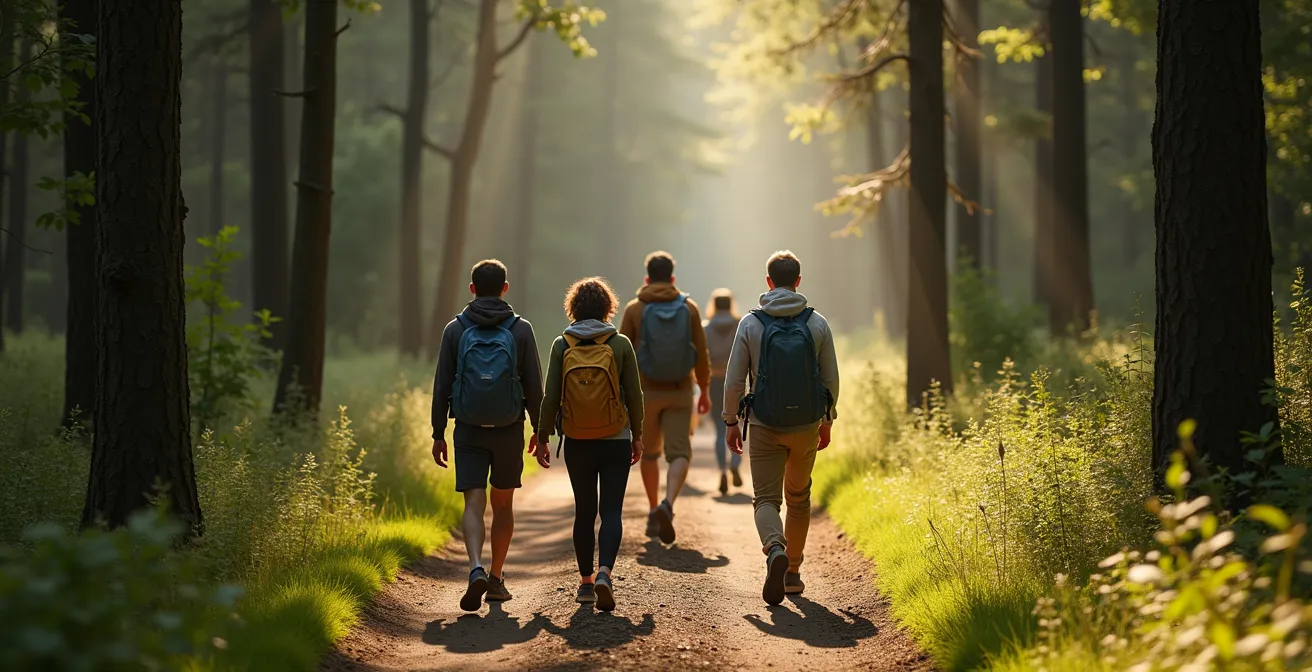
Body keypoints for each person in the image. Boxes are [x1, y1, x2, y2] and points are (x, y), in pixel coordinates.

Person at [724, 251, 840, 606]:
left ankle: (775, 547)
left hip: (763, 423)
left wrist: (731, 422)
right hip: (805, 424)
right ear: (799, 282)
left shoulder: (751, 323)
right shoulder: (817, 323)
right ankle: (792, 572)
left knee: (766, 500)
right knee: (799, 497)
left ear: (769, 282)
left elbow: (733, 382)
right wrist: (827, 420)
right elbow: (830, 378)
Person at [431, 259, 544, 612]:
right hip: (509, 428)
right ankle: (496, 579)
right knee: (503, 505)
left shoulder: (455, 329)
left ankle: (475, 568)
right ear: (505, 288)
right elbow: (534, 386)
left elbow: (441, 385)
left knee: (473, 502)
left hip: (467, 428)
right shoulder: (521, 329)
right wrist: (541, 432)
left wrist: (438, 432)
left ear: (472, 289)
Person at [533, 277, 645, 611]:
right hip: (614, 438)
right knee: (611, 511)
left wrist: (542, 437)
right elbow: (635, 396)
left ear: (574, 308)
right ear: (608, 307)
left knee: (585, 511)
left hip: (577, 439)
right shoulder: (620, 343)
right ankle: (604, 575)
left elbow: (550, 397)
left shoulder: (561, 345)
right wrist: (637, 435)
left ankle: (584, 584)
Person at [619, 251, 712, 545]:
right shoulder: (690, 308)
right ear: (672, 278)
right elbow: (701, 353)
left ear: (647, 278)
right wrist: (705, 390)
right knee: (680, 453)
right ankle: (667, 504)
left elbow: (620, 355)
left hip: (644, 392)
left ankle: (651, 508)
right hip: (680, 390)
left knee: (648, 453)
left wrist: (621, 395)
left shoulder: (635, 309)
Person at [704, 288, 743, 496]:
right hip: (736, 382)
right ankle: (735, 462)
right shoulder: (740, 326)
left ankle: (721, 470)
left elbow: (701, 358)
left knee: (720, 429)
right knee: (738, 423)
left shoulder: (706, 329)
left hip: (714, 382)